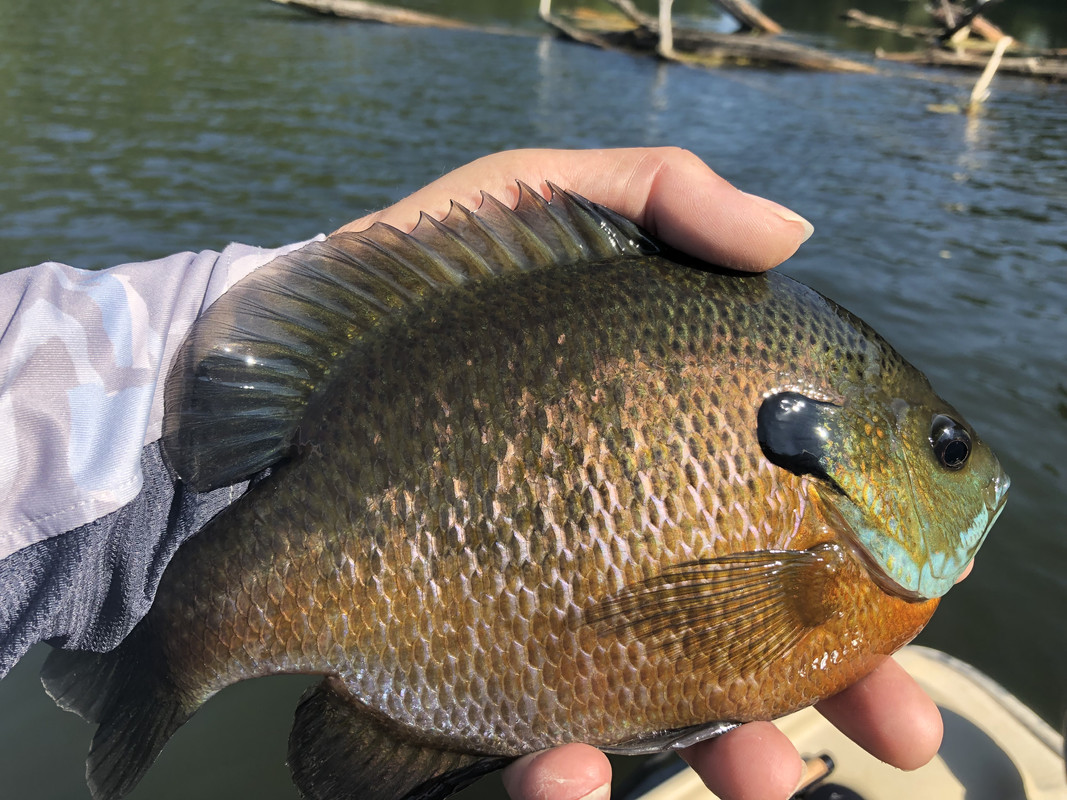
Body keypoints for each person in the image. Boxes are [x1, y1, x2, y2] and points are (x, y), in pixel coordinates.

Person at [0, 147, 942, 800]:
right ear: (857, 446)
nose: (960, 469)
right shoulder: (835, 565)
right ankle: (172, 655)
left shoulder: (841, 567)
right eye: (942, 449)